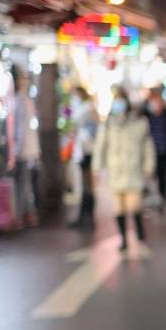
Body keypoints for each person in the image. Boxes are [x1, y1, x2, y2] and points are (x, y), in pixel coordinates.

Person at [94, 88, 155, 251]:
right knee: (119, 207)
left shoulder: (140, 122)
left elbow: (148, 146)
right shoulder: (108, 124)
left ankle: (139, 232)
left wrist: (149, 166)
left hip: (134, 169)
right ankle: (123, 239)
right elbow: (101, 146)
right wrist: (97, 167)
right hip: (116, 170)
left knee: (134, 205)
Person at [5, 68, 41, 228]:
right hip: (28, 150)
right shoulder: (24, 99)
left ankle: (19, 216)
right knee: (25, 183)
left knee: (23, 184)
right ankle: (28, 214)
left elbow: (21, 129)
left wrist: (16, 151)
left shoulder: (20, 101)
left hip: (24, 151)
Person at [144, 89, 166, 209]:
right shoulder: (146, 116)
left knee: (162, 176)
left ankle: (162, 200)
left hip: (164, 151)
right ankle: (153, 199)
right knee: (150, 176)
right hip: (150, 153)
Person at [69, 86, 99, 228]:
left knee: (87, 185)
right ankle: (83, 217)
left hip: (87, 151)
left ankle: (87, 217)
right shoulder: (83, 108)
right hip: (84, 151)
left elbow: (91, 130)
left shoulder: (87, 109)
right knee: (85, 184)